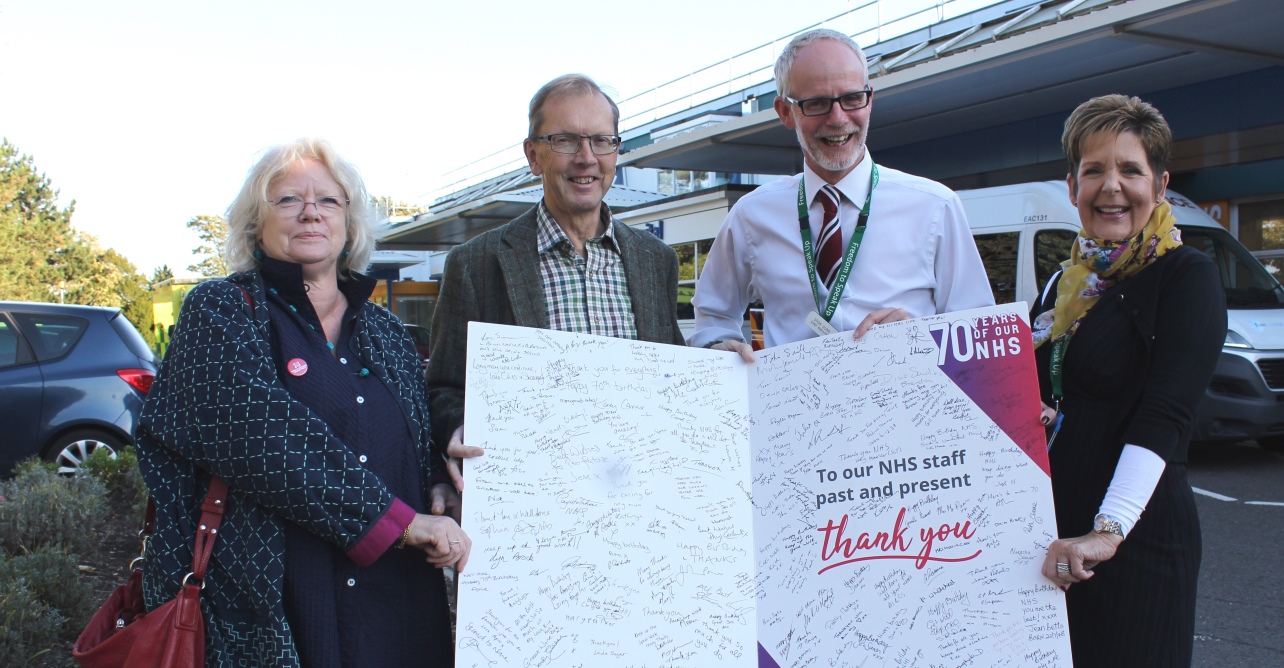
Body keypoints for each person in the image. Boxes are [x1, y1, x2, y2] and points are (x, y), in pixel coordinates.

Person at [136, 138, 470, 667]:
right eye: (288, 200)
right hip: (278, 606)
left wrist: (435, 483)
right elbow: (260, 439)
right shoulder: (222, 311)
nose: (311, 211)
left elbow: (415, 431)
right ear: (256, 225)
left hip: (397, 603)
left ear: (349, 224)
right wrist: (402, 523)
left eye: (329, 201)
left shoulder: (384, 328)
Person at [427, 73, 685, 497]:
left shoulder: (655, 260)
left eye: (602, 141)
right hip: (534, 503)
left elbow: (672, 376)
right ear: (533, 156)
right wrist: (457, 427)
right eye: (565, 141)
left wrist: (718, 364)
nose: (587, 158)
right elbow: (443, 387)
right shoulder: (476, 264)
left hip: (638, 495)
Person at [1033, 95, 1224, 667]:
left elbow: (1166, 413)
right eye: (1094, 170)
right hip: (1058, 542)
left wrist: (1107, 531)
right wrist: (909, 338)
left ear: (1159, 185)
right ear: (1072, 187)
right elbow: (1036, 389)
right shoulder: (1063, 286)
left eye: (1130, 170)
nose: (1111, 186)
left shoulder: (1186, 275)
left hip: (1134, 540)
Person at [690, 29, 993, 358]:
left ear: (870, 99)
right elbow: (713, 314)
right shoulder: (751, 216)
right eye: (816, 103)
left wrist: (923, 337)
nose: (837, 119)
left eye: (851, 98)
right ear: (785, 112)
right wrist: (718, 347)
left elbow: (981, 339)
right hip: (792, 407)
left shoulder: (935, 207)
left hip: (902, 406)